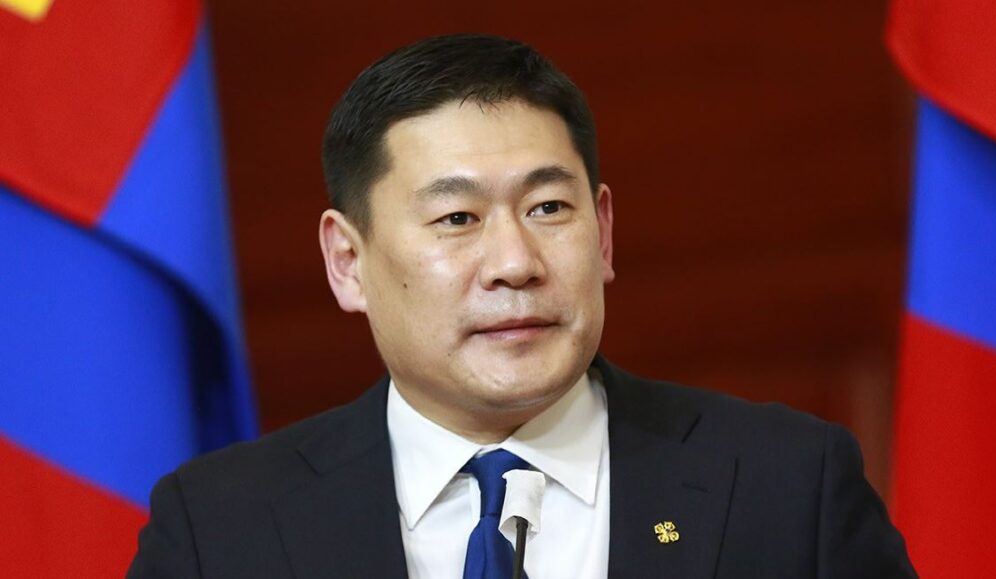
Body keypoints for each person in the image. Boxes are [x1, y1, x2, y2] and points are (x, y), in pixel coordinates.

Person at [128, 34, 917, 578]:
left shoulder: (786, 485)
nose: (515, 263)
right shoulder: (219, 530)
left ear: (603, 232)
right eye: (457, 218)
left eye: (548, 208)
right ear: (348, 262)